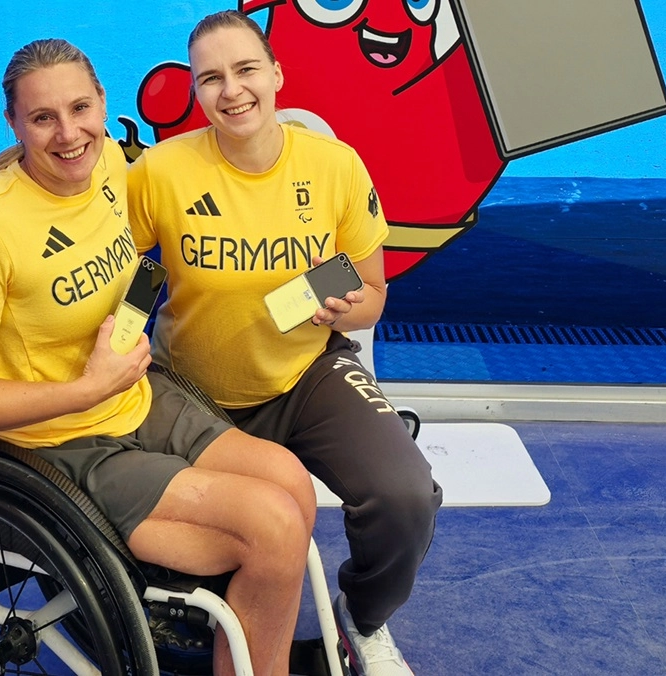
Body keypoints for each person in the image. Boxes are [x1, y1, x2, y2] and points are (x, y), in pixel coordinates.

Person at [0, 38, 316, 676]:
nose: (68, 134)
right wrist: (81, 387)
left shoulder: (114, 168)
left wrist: (130, 324)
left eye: (79, 109)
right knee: (273, 527)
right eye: (42, 118)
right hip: (59, 444)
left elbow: (139, 259)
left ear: (104, 104)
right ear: (14, 123)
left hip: (137, 393)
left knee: (291, 482)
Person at [127, 11, 444, 676]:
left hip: (307, 375)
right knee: (213, 541)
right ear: (195, 90)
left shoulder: (334, 166)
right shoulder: (161, 171)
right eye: (210, 77)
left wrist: (351, 306)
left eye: (245, 70)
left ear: (276, 75)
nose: (231, 90)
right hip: (194, 393)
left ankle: (363, 621)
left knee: (406, 495)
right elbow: (126, 276)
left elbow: (377, 292)